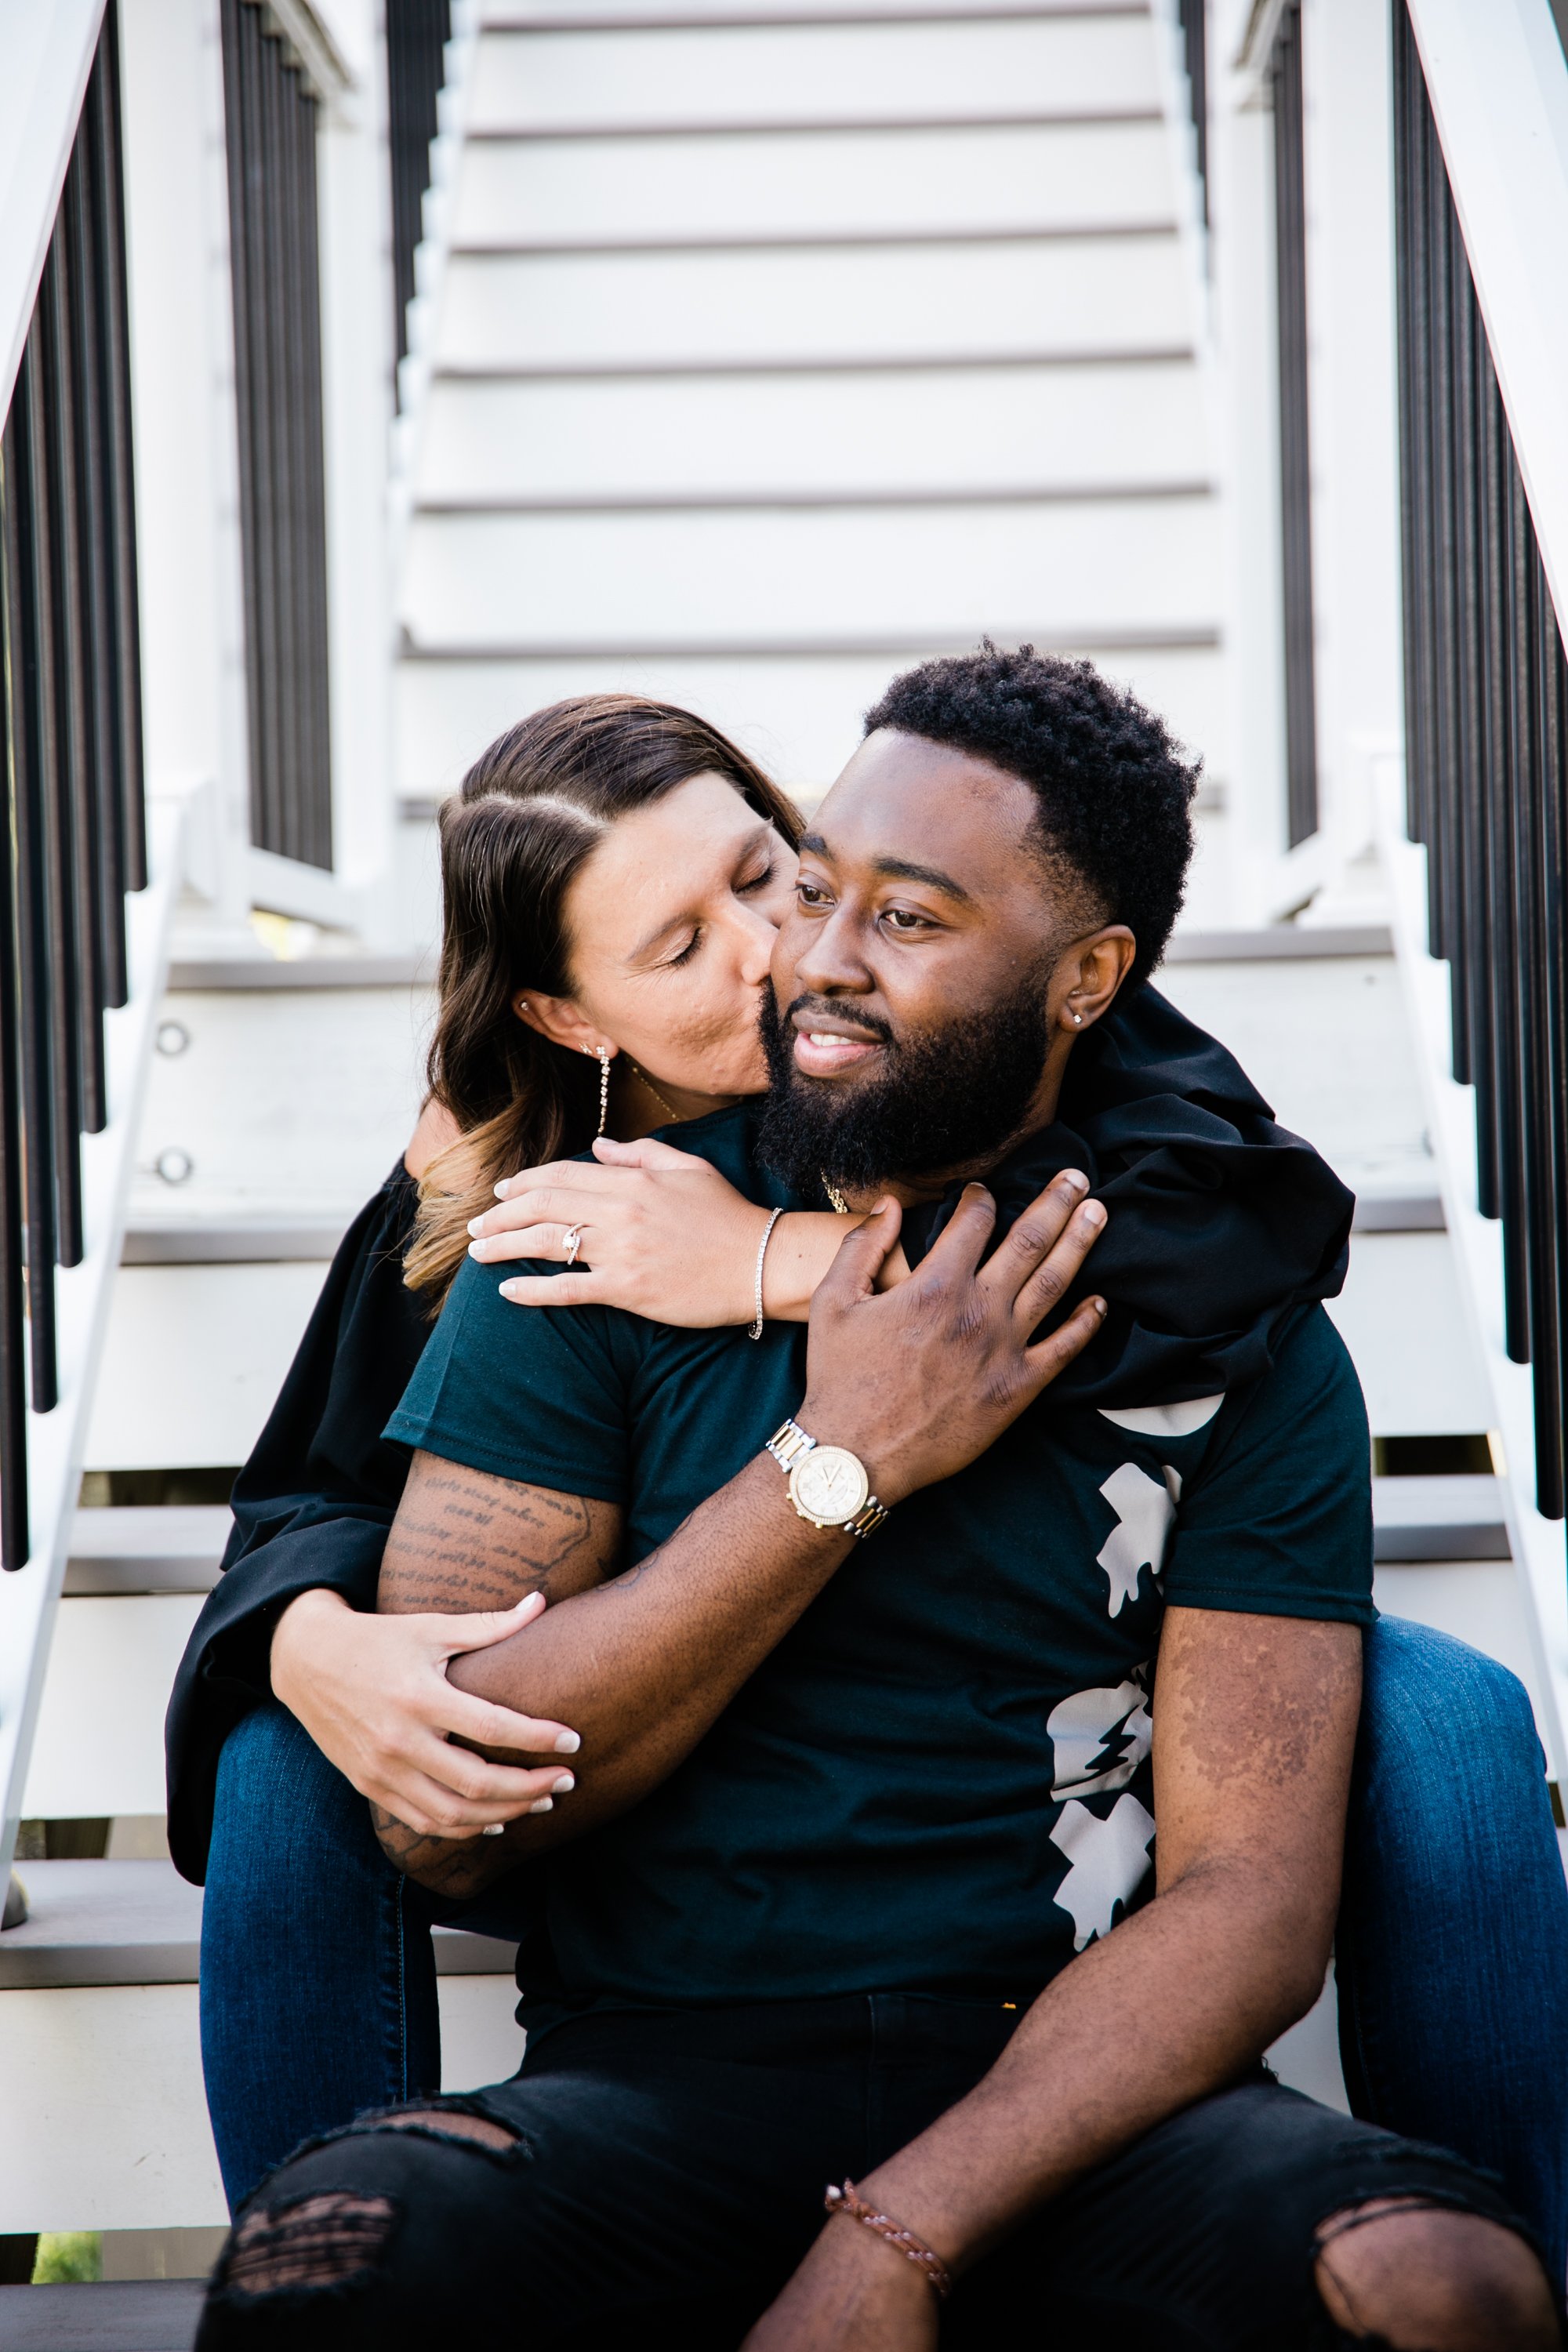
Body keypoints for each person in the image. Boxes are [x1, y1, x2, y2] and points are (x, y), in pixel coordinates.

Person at [194, 653, 1559, 2350]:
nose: (792, 953)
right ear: (568, 1017)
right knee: (313, 2105)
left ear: (1088, 979)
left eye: (797, 883)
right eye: (691, 943)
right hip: (667, 2062)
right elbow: (425, 1746)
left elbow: (1247, 1890)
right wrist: (835, 1462)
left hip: (1059, 2074)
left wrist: (894, 2240)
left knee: (1442, 1822)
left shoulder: (1199, 1253)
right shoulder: (554, 1231)